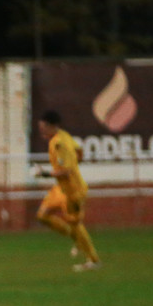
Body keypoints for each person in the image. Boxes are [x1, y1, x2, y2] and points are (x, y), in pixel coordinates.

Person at [34, 109, 101, 271]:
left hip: (73, 191)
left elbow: (66, 171)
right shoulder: (64, 136)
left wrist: (44, 173)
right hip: (61, 189)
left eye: (43, 128)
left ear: (51, 126)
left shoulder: (59, 143)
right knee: (42, 215)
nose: (41, 131)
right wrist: (74, 163)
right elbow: (80, 152)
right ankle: (74, 236)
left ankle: (93, 260)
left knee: (76, 224)